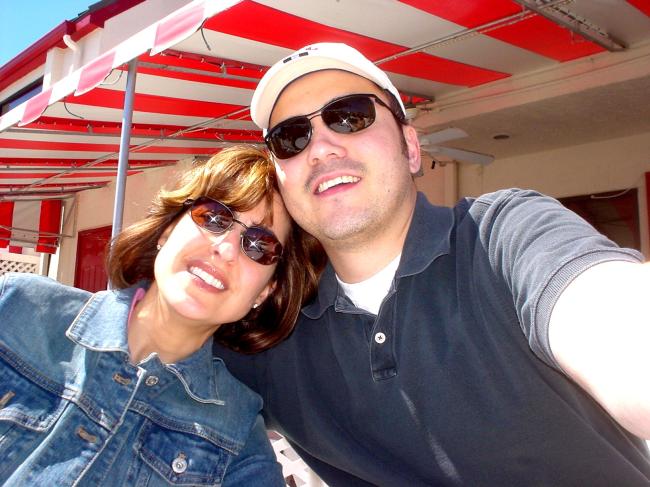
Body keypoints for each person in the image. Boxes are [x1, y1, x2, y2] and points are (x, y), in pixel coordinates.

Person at [213, 43, 650, 486]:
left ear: (410, 147)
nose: (321, 148)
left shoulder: (504, 235)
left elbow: (612, 320)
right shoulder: (273, 339)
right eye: (290, 137)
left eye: (350, 116)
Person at [0, 146, 323, 486]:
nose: (225, 248)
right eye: (214, 217)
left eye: (259, 245)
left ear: (264, 292)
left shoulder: (237, 440)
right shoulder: (18, 307)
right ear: (167, 230)